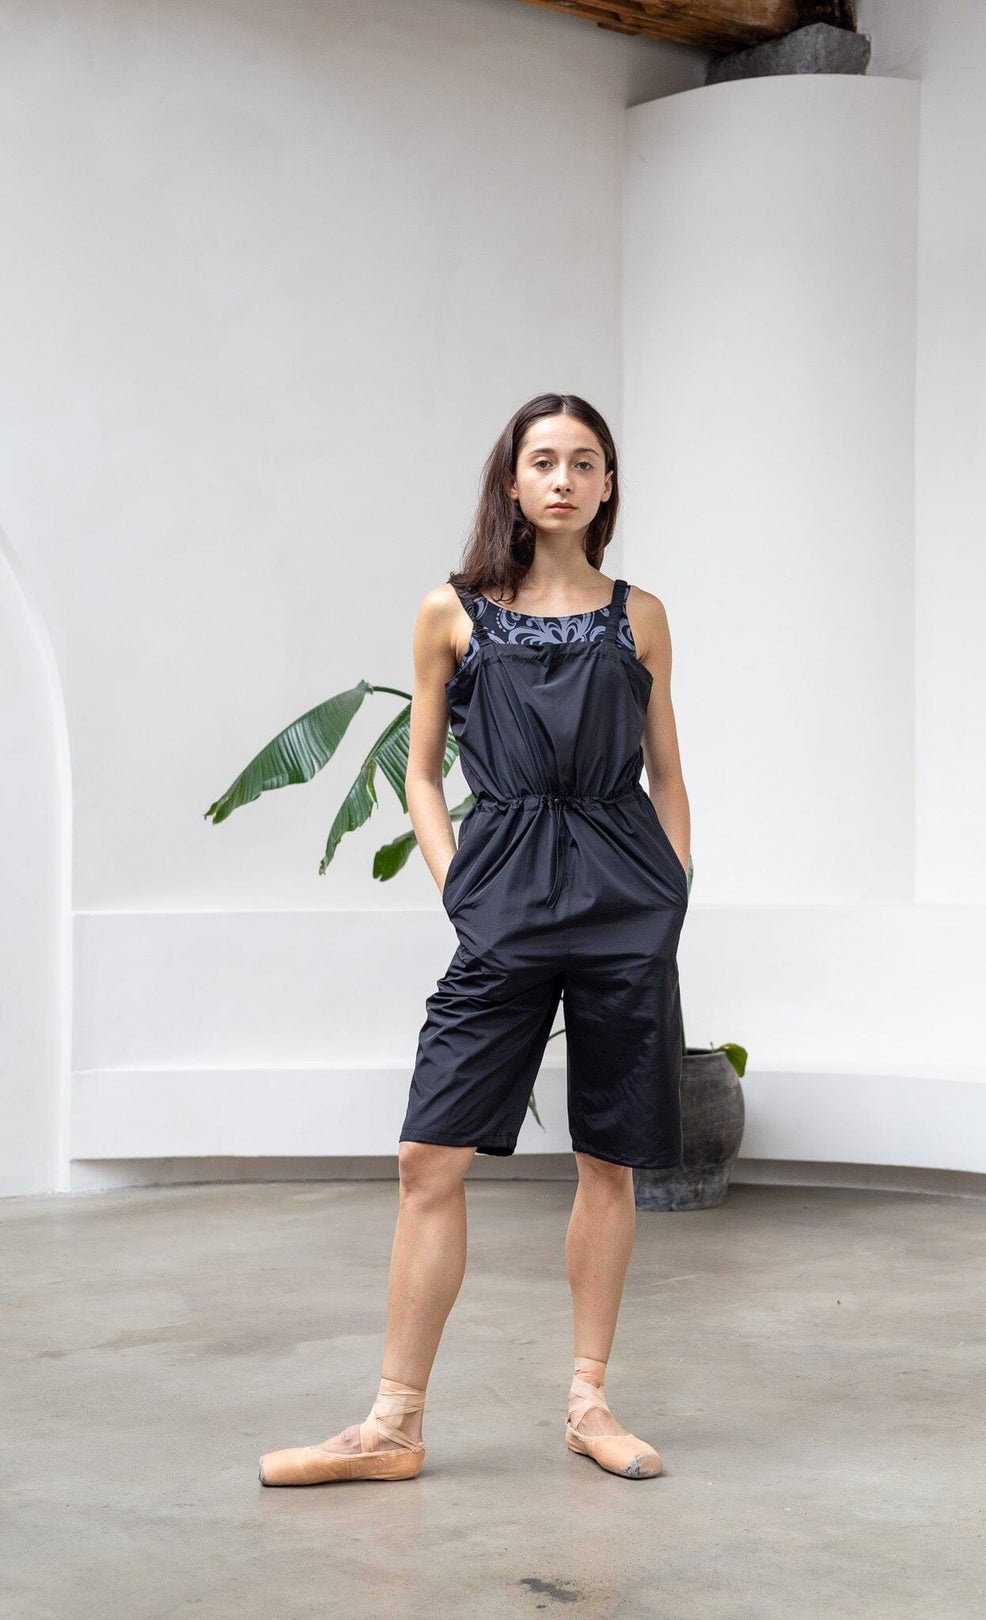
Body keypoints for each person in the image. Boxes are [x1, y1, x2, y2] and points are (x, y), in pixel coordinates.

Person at [259, 393, 691, 1487]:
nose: (561, 478)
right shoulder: (451, 613)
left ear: (605, 487)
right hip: (502, 899)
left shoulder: (638, 616)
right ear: (512, 481)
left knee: (608, 1160)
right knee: (427, 1157)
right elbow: (417, 774)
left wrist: (668, 893)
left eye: (583, 462)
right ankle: (393, 1424)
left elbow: (669, 773)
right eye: (542, 460)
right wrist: (461, 888)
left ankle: (590, 1403)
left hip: (621, 901)